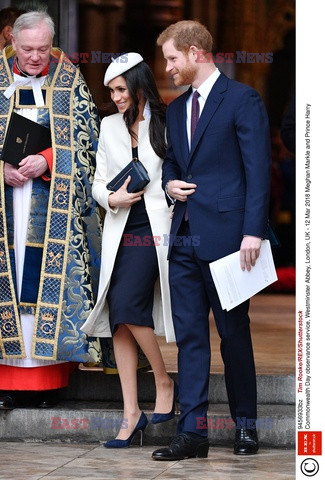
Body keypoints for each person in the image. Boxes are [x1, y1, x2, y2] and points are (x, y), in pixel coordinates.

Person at [152, 20, 272, 460]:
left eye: (171, 58)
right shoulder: (177, 108)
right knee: (189, 338)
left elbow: (258, 171)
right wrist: (169, 185)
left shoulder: (243, 99)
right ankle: (193, 434)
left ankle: (246, 428)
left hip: (229, 240)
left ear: (195, 53)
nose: (167, 67)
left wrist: (253, 231)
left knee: (234, 335)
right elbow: (171, 162)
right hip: (184, 236)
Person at [0, 11, 102, 409]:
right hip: (7, 206)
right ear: (13, 43)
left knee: (44, 287)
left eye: (43, 49)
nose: (36, 57)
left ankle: (46, 385)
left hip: (51, 205)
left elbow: (89, 143)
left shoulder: (70, 81)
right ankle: (7, 383)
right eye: (27, 49)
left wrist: (48, 159)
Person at [81, 53, 176, 448]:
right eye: (112, 91)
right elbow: (97, 182)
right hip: (120, 228)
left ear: (138, 86)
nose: (116, 97)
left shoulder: (167, 122)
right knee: (120, 318)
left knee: (126, 305)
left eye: (121, 89)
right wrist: (112, 198)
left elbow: (177, 172)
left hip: (155, 230)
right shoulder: (107, 126)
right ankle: (131, 413)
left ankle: (162, 378)